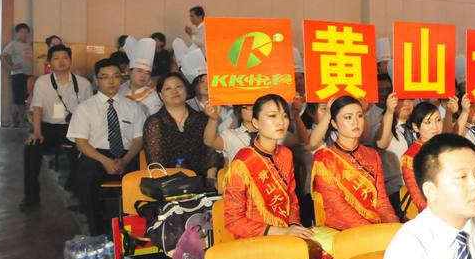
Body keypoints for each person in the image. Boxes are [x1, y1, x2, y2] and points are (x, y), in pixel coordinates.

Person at [67, 58, 146, 235]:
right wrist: (106, 161)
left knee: (142, 177)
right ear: (96, 80)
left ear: (121, 79)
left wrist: (125, 160)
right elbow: (81, 143)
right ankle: (96, 230)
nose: (111, 81)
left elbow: (139, 139)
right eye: (105, 77)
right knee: (86, 174)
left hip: (127, 154)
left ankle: (134, 230)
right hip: (96, 155)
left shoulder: (134, 107)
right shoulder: (85, 108)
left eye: (116, 76)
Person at [222, 94, 317, 241]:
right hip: (256, 239)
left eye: (285, 116)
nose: (281, 122)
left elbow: (291, 199)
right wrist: (281, 232)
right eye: (272, 116)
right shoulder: (243, 162)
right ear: (256, 122)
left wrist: (293, 225)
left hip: (286, 233)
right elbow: (233, 221)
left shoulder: (286, 154)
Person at [21, 44, 92, 209]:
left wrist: (87, 135)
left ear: (71, 61)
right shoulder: (42, 82)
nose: (61, 61)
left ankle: (80, 195)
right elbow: (37, 108)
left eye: (65, 58)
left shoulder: (83, 84)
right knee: (31, 149)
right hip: (48, 127)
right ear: (49, 62)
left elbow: (89, 111)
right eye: (56, 58)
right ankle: (31, 196)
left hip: (74, 128)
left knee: (83, 154)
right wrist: (37, 132)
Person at [312, 96, 398, 230]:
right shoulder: (324, 159)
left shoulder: (372, 155)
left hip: (375, 227)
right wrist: (373, 231)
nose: (355, 122)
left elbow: (382, 200)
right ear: (334, 123)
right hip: (341, 230)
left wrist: (393, 225)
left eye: (360, 116)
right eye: (348, 117)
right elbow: (339, 208)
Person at [142, 73, 209, 175]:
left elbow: (210, 154)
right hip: (167, 180)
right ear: (161, 95)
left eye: (179, 86)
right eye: (168, 88)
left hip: (200, 178)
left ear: (186, 90)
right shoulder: (154, 122)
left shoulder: (201, 119)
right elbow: (155, 162)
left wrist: (210, 178)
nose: (174, 91)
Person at [0, 22, 33, 127]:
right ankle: (21, 122)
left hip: (28, 75)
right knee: (19, 98)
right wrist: (11, 67)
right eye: (21, 32)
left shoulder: (28, 45)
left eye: (26, 32)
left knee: (26, 98)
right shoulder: (13, 44)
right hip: (19, 74)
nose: (24, 34)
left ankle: (19, 121)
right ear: (17, 33)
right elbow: (2, 56)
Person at [119, 37, 162, 116]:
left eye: (147, 73)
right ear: (129, 71)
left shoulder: (153, 97)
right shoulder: (120, 89)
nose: (143, 76)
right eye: (139, 71)